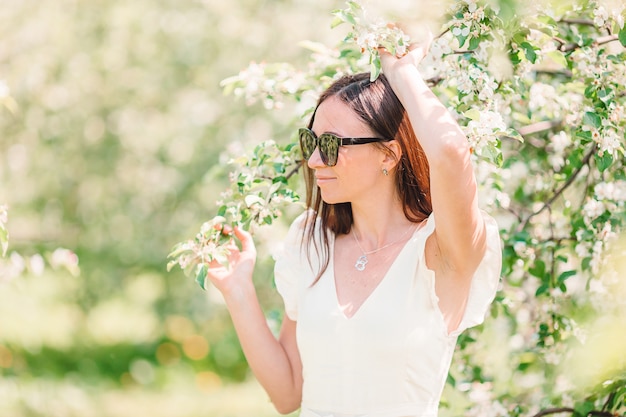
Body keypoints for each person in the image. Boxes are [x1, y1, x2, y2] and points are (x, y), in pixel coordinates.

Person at [205, 36, 502, 417]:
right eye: (310, 140)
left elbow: (451, 152)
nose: (313, 160)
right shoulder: (311, 240)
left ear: (389, 154)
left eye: (331, 144)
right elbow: (288, 394)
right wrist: (238, 290)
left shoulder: (441, 251)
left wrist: (400, 70)